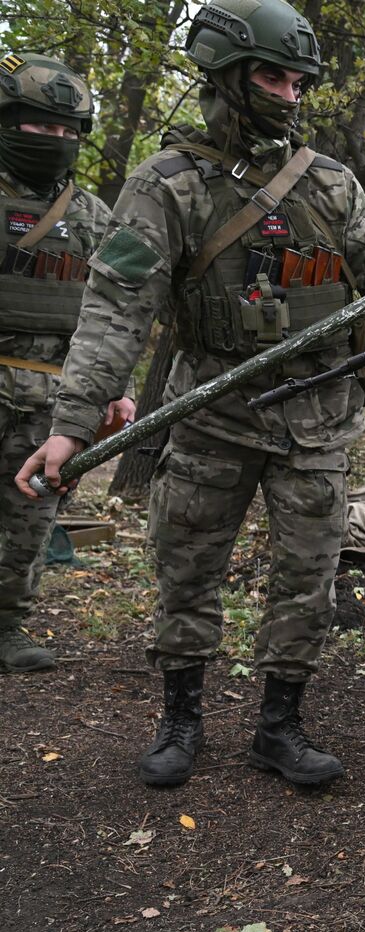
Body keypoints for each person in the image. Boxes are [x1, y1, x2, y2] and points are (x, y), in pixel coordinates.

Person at [15, 0, 365, 788]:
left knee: (309, 578)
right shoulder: (167, 185)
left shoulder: (331, 184)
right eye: (273, 76)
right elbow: (114, 312)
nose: (289, 94)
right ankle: (181, 717)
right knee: (187, 569)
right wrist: (71, 426)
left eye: (300, 81)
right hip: (213, 413)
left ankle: (281, 725)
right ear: (227, 76)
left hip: (318, 419)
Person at [0, 53, 132, 673]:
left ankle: (6, 626)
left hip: (51, 398)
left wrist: (115, 389)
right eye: (39, 125)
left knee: (30, 518)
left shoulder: (95, 219)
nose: (54, 140)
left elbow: (115, 313)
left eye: (65, 130)